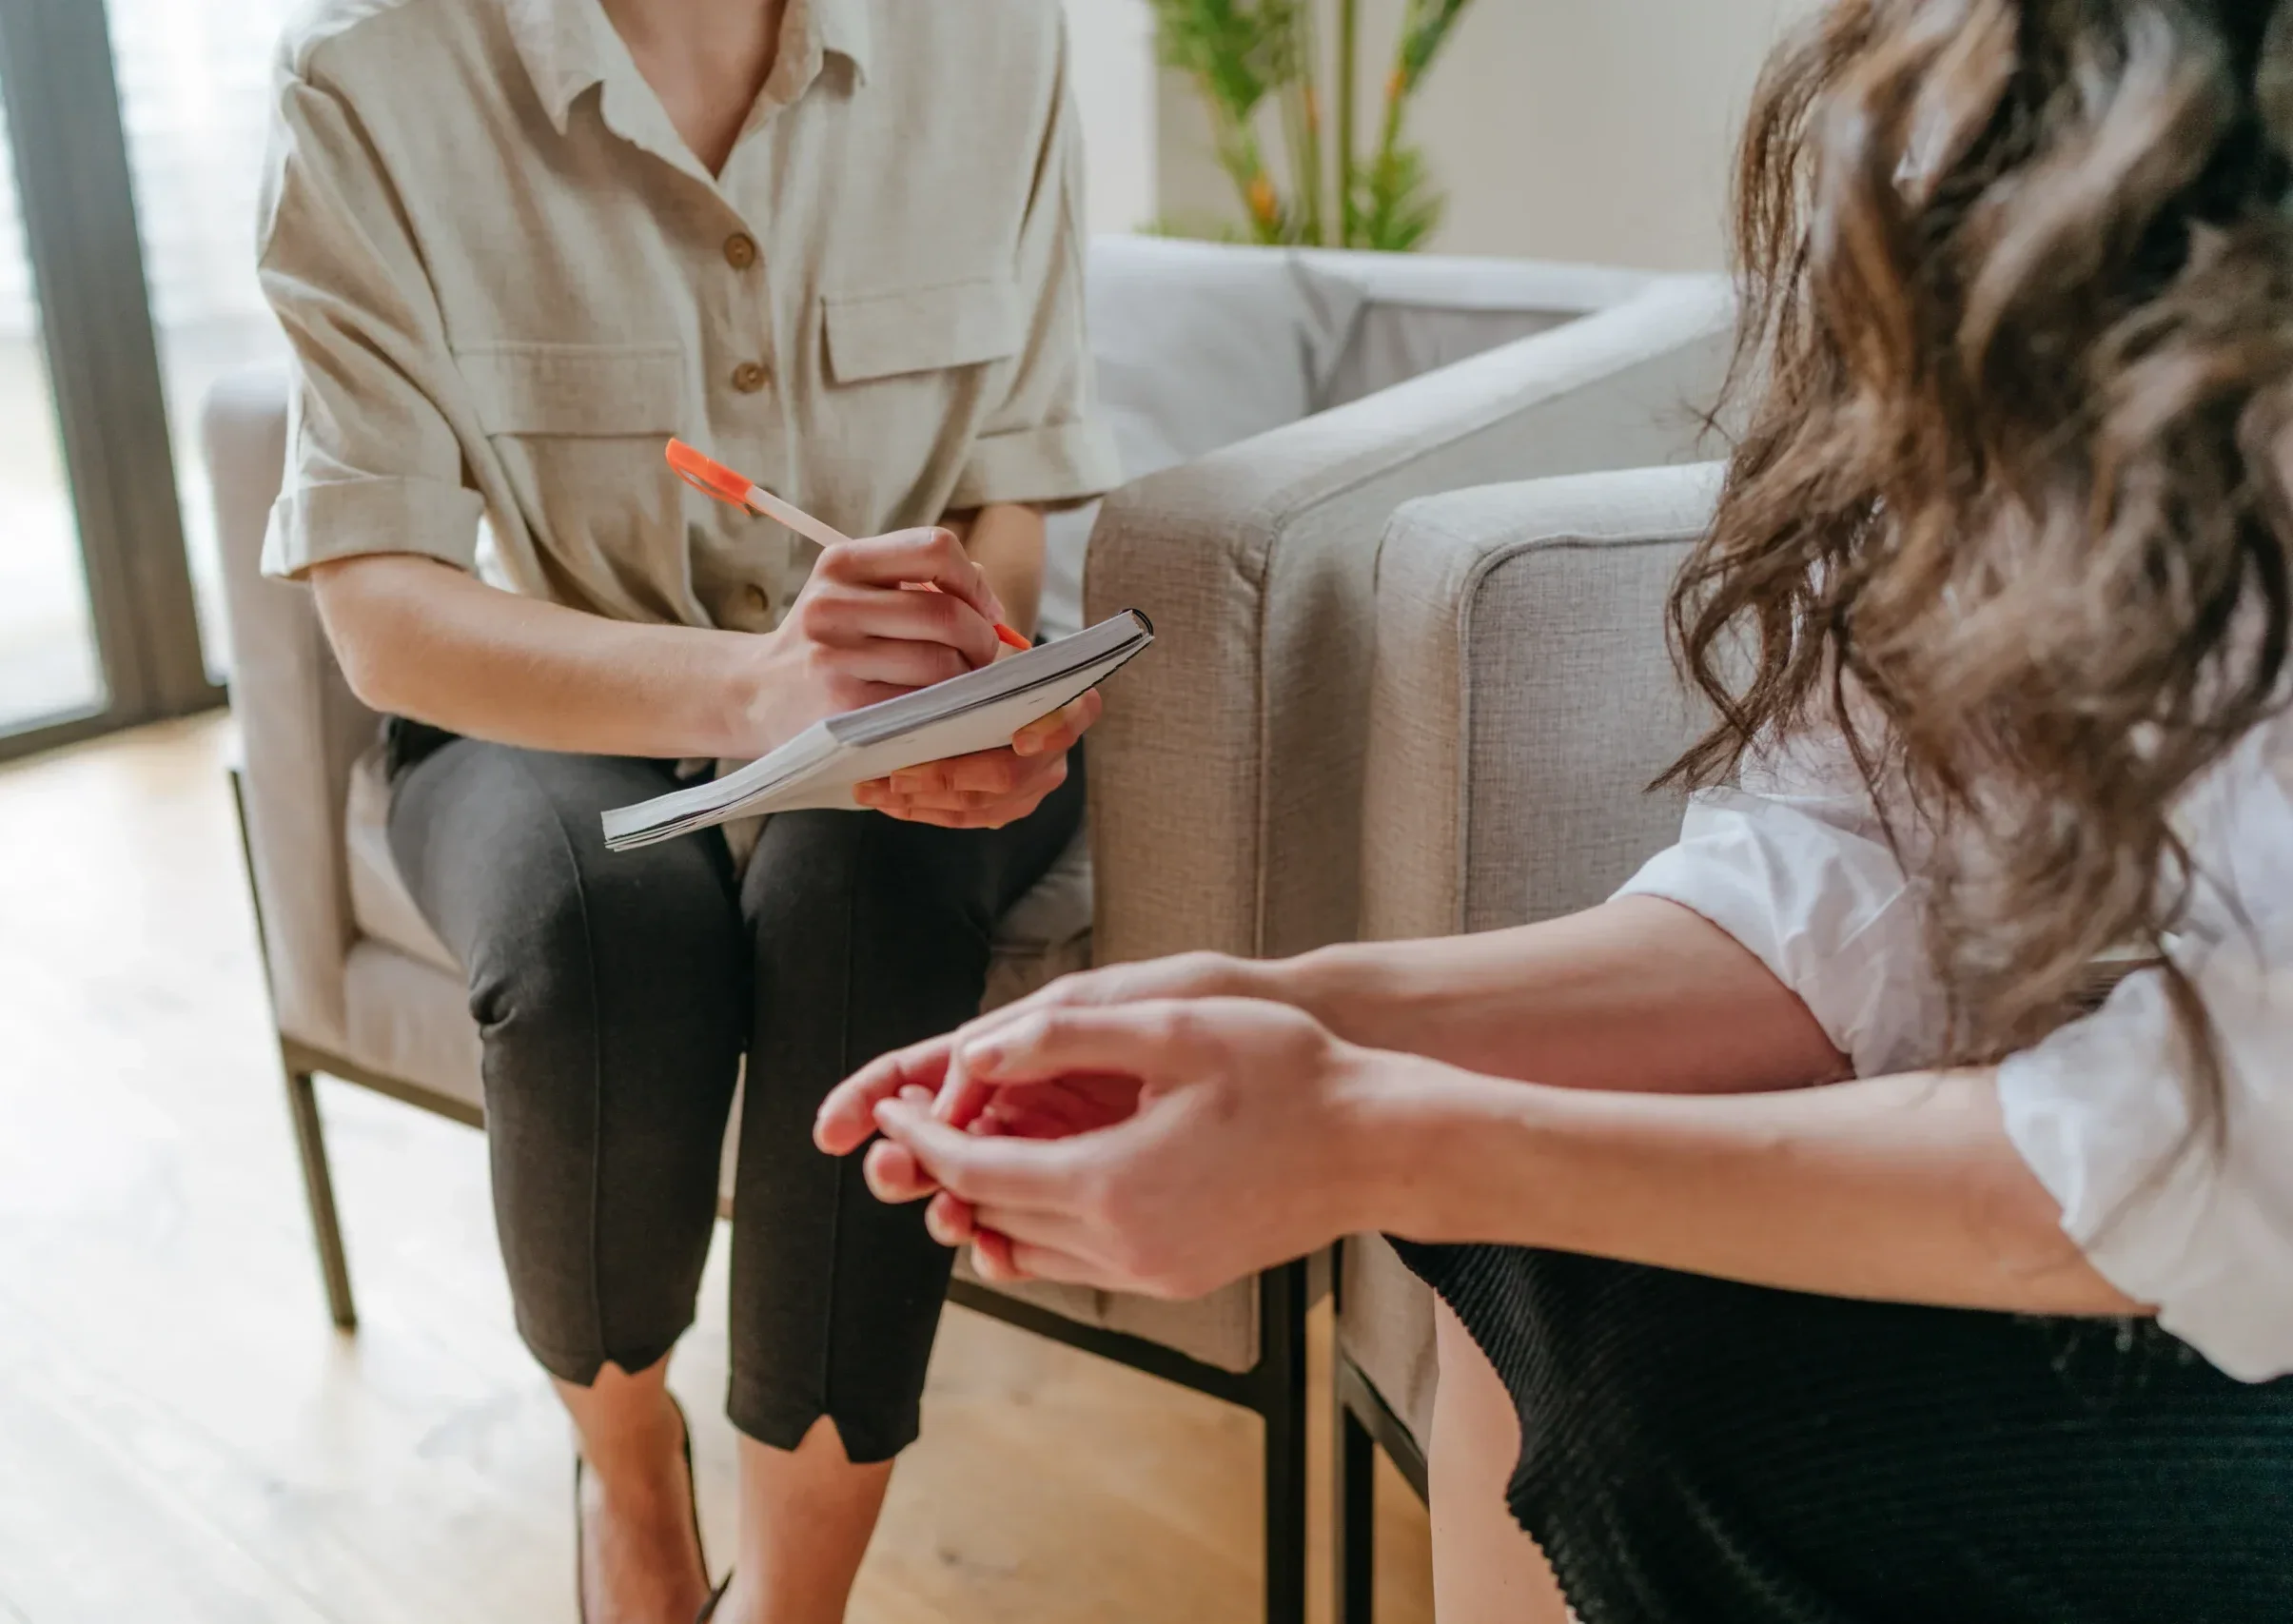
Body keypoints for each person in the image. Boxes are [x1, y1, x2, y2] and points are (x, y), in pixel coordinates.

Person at [819, 1, 2293, 1618]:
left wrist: (1379, 1128)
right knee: (1541, 1265)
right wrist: (1293, 1004)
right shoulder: (1969, 125)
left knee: (1624, 1316)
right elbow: (1861, 848)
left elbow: (2214, 1146)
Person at [258, 1, 1117, 1619]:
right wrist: (751, 693)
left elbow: (1012, 487)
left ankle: (790, 1605)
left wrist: (935, 680)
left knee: (863, 899)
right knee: (598, 935)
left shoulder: (995, 34)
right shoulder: (370, 74)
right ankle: (629, 1468)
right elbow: (379, 605)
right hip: (546, 694)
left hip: (891, 714)